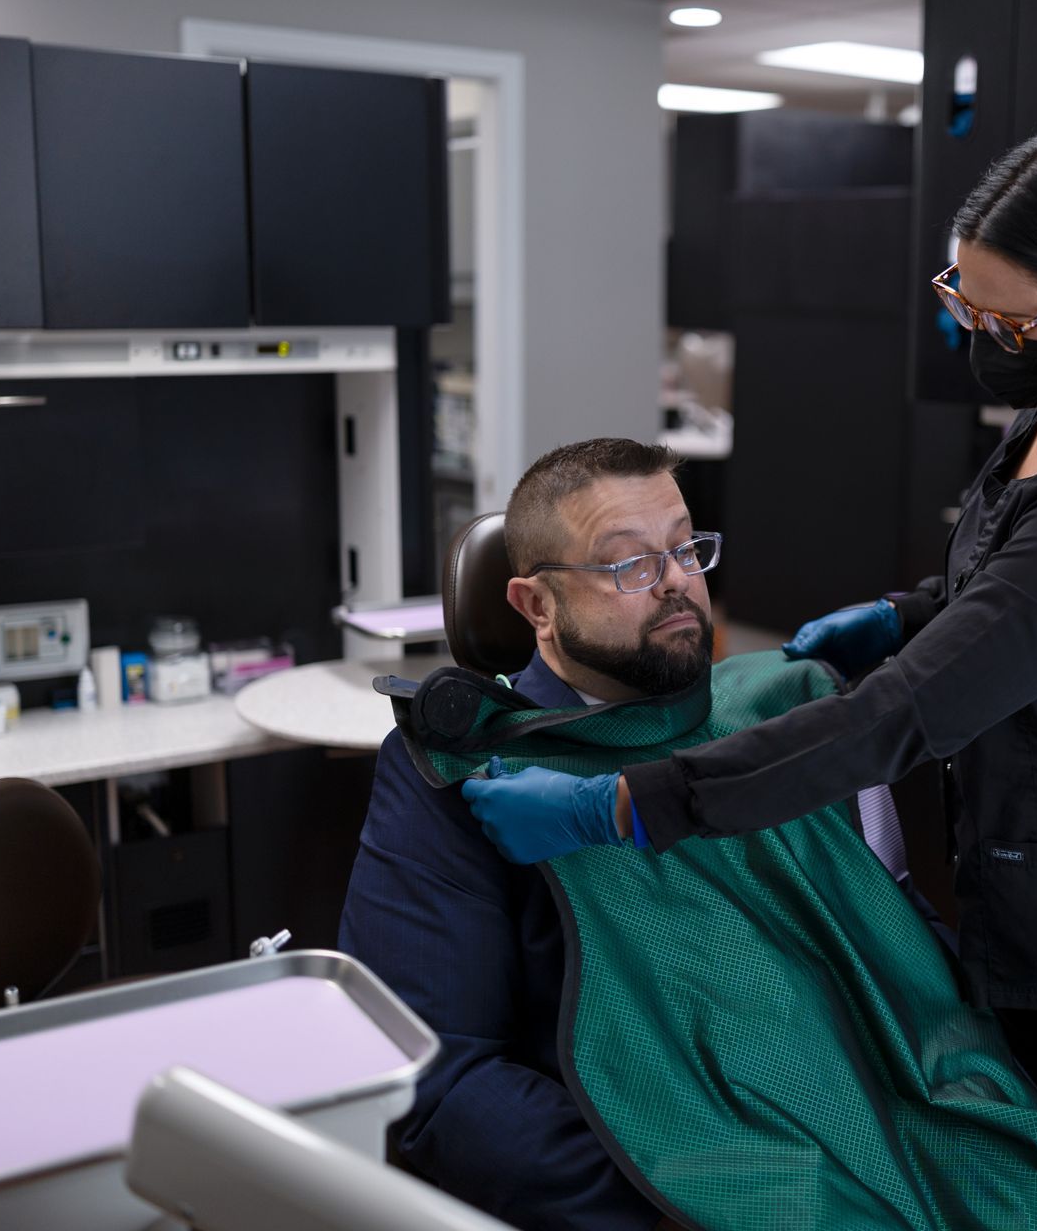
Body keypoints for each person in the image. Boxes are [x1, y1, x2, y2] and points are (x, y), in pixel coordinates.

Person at [462, 131, 1037, 1231]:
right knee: (1017, 1182)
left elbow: (902, 718)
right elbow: (1011, 587)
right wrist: (908, 615)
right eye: (964, 296)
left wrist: (623, 803)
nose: (977, 333)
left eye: (1008, 322)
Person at [339, 439, 928, 1230]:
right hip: (692, 1185)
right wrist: (684, 1203)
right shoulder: (458, 775)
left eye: (685, 548)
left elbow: (901, 953)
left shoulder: (789, 717)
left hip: (896, 1136)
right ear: (536, 606)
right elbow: (440, 1084)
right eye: (629, 567)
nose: (679, 581)